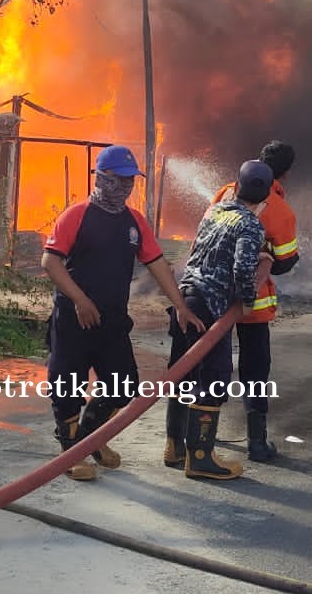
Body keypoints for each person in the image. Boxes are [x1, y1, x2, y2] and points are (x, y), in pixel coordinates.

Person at [42, 144, 203, 481]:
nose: (126, 187)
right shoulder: (77, 215)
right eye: (120, 179)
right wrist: (79, 300)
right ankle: (70, 454)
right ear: (102, 178)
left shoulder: (134, 223)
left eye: (131, 181)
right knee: (67, 387)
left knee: (124, 385)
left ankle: (91, 438)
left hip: (112, 321)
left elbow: (157, 264)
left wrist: (180, 306)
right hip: (75, 319)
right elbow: (50, 261)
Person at [164, 160, 274, 482]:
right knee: (213, 380)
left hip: (185, 300)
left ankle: (175, 447)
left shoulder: (215, 211)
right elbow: (241, 271)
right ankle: (200, 459)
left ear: (236, 187)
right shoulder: (251, 226)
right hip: (212, 308)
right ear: (265, 196)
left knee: (182, 373)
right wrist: (246, 304)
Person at [212, 140, 299, 462]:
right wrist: (266, 256)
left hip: (215, 296)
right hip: (254, 304)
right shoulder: (281, 210)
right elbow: (287, 260)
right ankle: (257, 443)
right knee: (255, 371)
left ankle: (199, 435)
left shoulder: (225, 191)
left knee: (209, 364)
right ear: (286, 173)